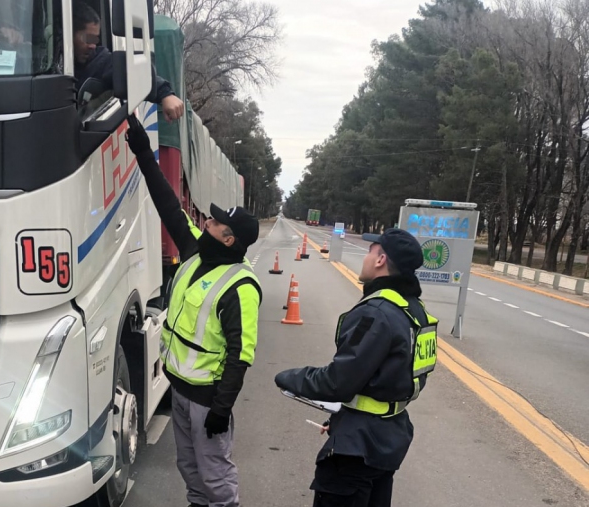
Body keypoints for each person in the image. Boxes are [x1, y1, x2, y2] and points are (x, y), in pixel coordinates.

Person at [125, 114, 260, 507]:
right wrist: (143, 155)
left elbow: (241, 355)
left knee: (216, 476)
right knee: (190, 470)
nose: (209, 221)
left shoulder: (241, 286)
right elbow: (168, 204)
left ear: (230, 239)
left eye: (217, 223)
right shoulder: (195, 251)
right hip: (180, 390)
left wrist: (222, 409)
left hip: (207, 401)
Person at [275, 229, 439, 507]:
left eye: (369, 252)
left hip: (358, 449)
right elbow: (389, 379)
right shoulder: (415, 310)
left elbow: (338, 382)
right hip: (388, 437)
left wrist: (290, 377)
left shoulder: (377, 312)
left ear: (380, 260)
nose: (365, 259)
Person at [74, 2, 185, 121]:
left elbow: (130, 72)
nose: (92, 46)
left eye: (95, 39)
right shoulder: (54, 63)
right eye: (87, 39)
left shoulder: (99, 61)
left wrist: (166, 94)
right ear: (70, 34)